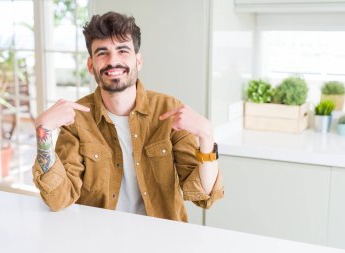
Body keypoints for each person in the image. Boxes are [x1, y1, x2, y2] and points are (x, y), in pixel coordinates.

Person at [32, 11, 224, 222]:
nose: (113, 61)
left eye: (122, 50)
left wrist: (206, 135)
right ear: (91, 65)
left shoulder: (169, 110)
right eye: (102, 52)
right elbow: (59, 199)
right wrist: (43, 135)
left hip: (160, 238)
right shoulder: (77, 119)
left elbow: (204, 196)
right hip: (98, 236)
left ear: (138, 61)